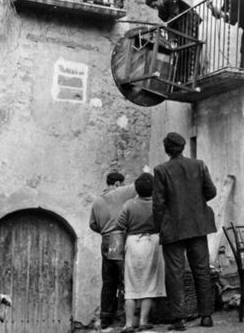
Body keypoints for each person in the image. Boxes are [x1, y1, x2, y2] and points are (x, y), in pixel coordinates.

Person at [152, 133, 217, 331]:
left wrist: (158, 227)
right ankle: (206, 316)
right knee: (202, 270)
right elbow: (211, 192)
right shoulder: (199, 164)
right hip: (198, 226)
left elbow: (158, 204)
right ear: (183, 147)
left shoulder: (161, 170)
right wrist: (197, 203)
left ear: (166, 149)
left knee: (174, 274)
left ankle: (178, 320)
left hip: (173, 228)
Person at [115, 172, 166, 333]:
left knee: (130, 284)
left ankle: (129, 324)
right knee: (149, 283)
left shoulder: (129, 204)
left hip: (134, 243)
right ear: (153, 189)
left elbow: (119, 225)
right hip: (153, 243)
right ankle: (144, 321)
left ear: (136, 189)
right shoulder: (159, 204)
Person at [90, 171, 137, 329]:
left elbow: (92, 224)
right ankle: (125, 318)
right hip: (118, 238)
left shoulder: (97, 200)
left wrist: (105, 231)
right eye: (122, 184)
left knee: (108, 280)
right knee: (125, 279)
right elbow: (139, 186)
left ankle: (105, 318)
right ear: (117, 184)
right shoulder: (120, 192)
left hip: (105, 239)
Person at [145, 0, 202, 82]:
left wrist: (167, 24)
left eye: (155, 5)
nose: (155, 8)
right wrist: (171, 40)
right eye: (153, 8)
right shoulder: (161, 14)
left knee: (190, 47)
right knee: (182, 51)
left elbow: (175, 14)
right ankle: (184, 78)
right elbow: (171, 25)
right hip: (181, 29)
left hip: (189, 22)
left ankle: (196, 75)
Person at [206, 0, 244, 69]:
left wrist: (218, 11)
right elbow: (219, 16)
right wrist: (212, 8)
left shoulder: (235, 0)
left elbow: (232, 20)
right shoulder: (229, 1)